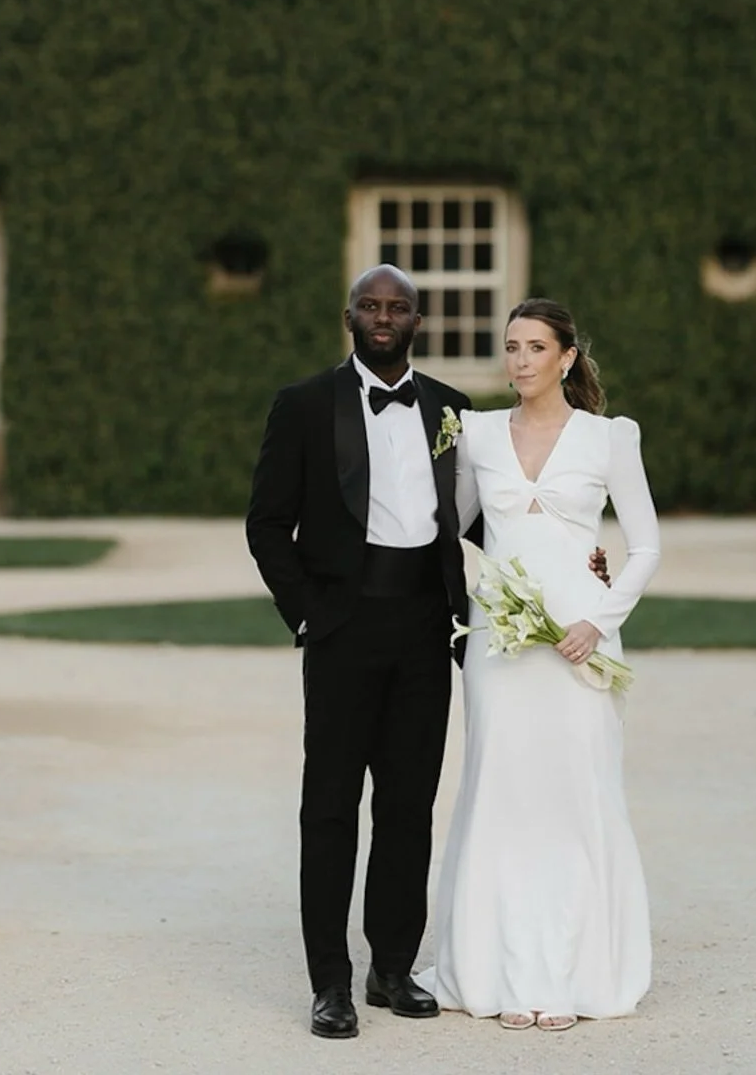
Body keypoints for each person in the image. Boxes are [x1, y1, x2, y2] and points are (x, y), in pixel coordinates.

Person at [245, 266, 607, 1041]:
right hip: (341, 630)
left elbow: (487, 516)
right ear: (350, 316)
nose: (384, 316)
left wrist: (576, 558)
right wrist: (307, 614)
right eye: (371, 305)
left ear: (417, 320)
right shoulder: (303, 405)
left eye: (398, 307)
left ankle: (392, 967)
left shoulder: (453, 411)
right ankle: (330, 983)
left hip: (425, 628)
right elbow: (267, 523)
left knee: (408, 807)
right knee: (330, 807)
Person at [428, 298, 661, 1031]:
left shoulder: (610, 438)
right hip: (501, 645)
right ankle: (498, 971)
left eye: (535, 347)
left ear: (566, 358)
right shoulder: (477, 434)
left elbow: (646, 546)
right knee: (502, 794)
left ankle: (573, 974)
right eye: (512, 347)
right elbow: (453, 528)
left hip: (581, 640)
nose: (521, 359)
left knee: (575, 794)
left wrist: (599, 618)